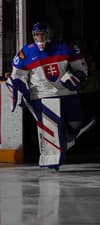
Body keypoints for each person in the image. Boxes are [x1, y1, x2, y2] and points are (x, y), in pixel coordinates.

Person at [5, 22, 88, 169]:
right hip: (42, 95)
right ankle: (53, 156)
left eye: (42, 34)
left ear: (49, 34)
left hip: (66, 92)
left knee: (76, 123)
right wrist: (21, 89)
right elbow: (17, 75)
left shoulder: (65, 47)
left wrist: (77, 78)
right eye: (36, 35)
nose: (39, 37)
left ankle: (67, 138)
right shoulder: (26, 52)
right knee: (52, 128)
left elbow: (81, 69)